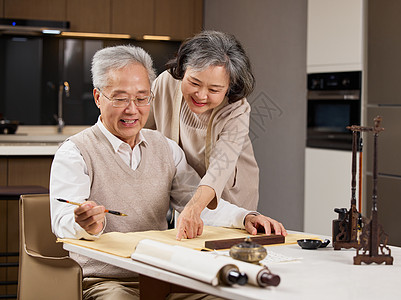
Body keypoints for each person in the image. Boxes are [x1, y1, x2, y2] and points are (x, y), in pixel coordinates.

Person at [50, 45, 286, 300]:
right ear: (98, 97)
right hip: (108, 281)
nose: (132, 109)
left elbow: (196, 204)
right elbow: (62, 221)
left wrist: (245, 217)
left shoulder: (166, 149)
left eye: (142, 98)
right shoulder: (75, 152)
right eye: (120, 98)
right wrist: (83, 223)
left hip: (163, 275)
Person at [146, 30, 259, 215]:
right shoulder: (166, 83)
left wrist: (193, 209)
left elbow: (220, 166)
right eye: (194, 83)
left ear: (229, 87)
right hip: (183, 189)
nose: (201, 95)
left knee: (225, 231)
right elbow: (141, 131)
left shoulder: (236, 108)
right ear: (183, 69)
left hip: (227, 191)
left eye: (214, 89)